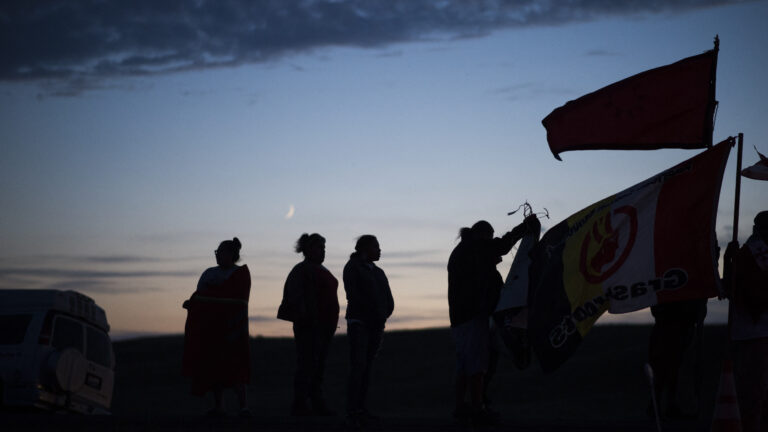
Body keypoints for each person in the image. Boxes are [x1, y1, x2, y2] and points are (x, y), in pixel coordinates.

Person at [447, 216, 538, 425]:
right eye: (490, 237)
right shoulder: (474, 248)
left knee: (465, 365)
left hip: (461, 318)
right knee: (477, 365)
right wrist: (524, 228)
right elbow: (502, 246)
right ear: (484, 236)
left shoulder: (465, 251)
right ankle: (477, 409)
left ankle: (461, 407)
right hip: (473, 317)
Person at [182, 238, 252, 417]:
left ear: (232, 254)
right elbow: (201, 296)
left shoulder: (241, 274)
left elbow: (237, 300)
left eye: (221, 252)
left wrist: (205, 299)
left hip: (233, 329)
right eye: (217, 252)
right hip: (211, 330)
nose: (218, 255)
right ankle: (218, 406)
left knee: (236, 366)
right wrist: (194, 303)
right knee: (214, 367)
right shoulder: (209, 273)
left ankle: (243, 406)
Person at [277, 233, 340, 416]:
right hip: (310, 326)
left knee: (318, 365)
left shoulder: (321, 270)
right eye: (319, 248)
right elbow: (294, 297)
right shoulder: (302, 270)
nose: (323, 251)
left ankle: (316, 402)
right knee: (307, 364)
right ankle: (300, 404)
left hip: (325, 326)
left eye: (324, 248)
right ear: (308, 250)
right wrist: (308, 317)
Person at [723, 211, 768, 432]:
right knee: (755, 391)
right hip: (757, 331)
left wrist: (727, 261)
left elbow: (729, 289)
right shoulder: (755, 254)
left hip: (747, 331)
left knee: (752, 389)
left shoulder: (744, 254)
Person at [343, 235, 394, 427]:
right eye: (376, 247)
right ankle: (353, 410)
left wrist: (384, 314)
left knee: (366, 367)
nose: (379, 250)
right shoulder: (353, 267)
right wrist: (372, 313)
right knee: (358, 366)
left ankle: (361, 409)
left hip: (376, 324)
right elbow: (353, 294)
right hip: (360, 323)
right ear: (365, 248)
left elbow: (387, 297)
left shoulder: (378, 271)